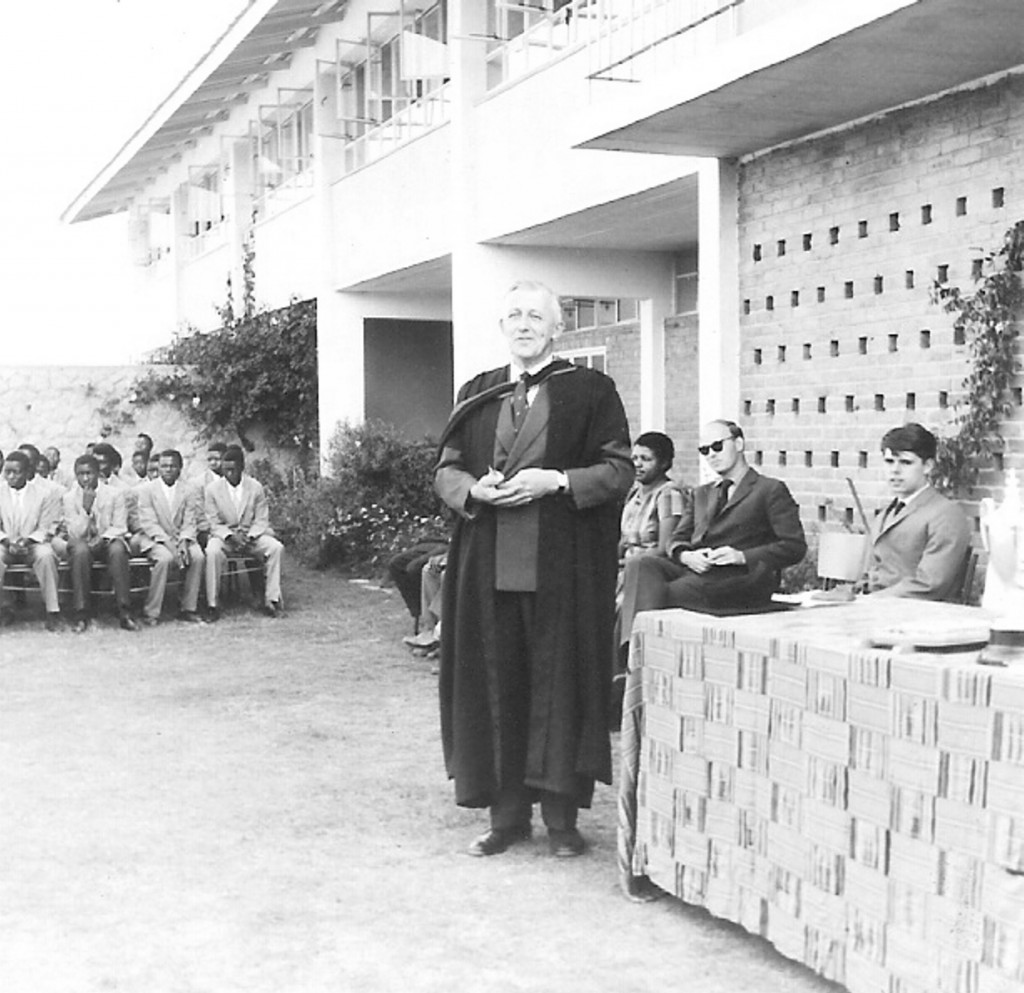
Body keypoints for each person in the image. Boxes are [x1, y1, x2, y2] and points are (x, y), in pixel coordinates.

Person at [435, 279, 633, 858]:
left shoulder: (591, 391)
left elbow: (618, 469)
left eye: (536, 317)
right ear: (503, 328)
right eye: (514, 316)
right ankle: (507, 817)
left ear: (557, 328)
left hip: (561, 570)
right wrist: (476, 490)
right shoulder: (478, 392)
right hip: (488, 564)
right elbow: (445, 470)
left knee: (560, 686)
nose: (524, 325)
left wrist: (559, 481)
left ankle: (562, 821)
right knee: (497, 686)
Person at [619, 420, 806, 643]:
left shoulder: (769, 489)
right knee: (640, 565)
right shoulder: (702, 493)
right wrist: (686, 555)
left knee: (660, 592)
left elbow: (794, 546)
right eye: (704, 450)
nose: (711, 455)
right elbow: (677, 539)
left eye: (717, 446)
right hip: (699, 570)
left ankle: (632, 659)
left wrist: (741, 556)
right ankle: (631, 653)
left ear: (738, 443)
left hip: (743, 579)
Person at [864, 423, 972, 600]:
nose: (895, 470)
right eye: (889, 461)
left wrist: (873, 601)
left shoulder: (946, 515)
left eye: (906, 462)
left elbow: (929, 584)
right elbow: (874, 575)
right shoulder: (886, 514)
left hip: (921, 615)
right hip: (880, 610)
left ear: (928, 466)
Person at [56, 454, 139, 632]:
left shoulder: (115, 494)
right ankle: (81, 613)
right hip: (82, 542)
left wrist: (103, 539)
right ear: (75, 474)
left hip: (107, 539)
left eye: (89, 473)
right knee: (80, 551)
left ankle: (125, 612)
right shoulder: (69, 498)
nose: (85, 478)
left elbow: (120, 526)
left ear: (98, 473)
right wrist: (86, 510)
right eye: (80, 474)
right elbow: (74, 532)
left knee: (118, 549)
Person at [204, 445, 284, 620]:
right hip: (225, 536)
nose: (229, 474)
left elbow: (261, 518)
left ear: (242, 467)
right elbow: (212, 521)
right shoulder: (212, 489)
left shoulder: (255, 487)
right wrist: (230, 537)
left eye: (233, 469)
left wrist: (249, 537)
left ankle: (272, 600)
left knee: (275, 547)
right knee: (212, 551)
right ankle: (213, 604)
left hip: (250, 536)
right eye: (225, 470)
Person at [135, 449, 205, 624]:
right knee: (165, 559)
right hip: (155, 538)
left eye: (172, 466)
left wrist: (183, 541)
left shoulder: (189, 490)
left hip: (180, 537)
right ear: (158, 468)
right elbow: (149, 523)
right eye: (164, 466)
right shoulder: (147, 490)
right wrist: (170, 546)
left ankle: (188, 608)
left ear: (180, 468)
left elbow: (190, 520)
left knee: (197, 556)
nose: (168, 469)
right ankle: (151, 611)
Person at [0, 451, 62, 631]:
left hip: (32, 545)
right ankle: (3, 609)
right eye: (7, 472)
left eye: (16, 472)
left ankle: (52, 611)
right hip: (5, 545)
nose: (10, 476)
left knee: (47, 555)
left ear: (27, 472)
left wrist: (27, 541)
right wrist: (7, 541)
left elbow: (47, 526)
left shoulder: (43, 494)